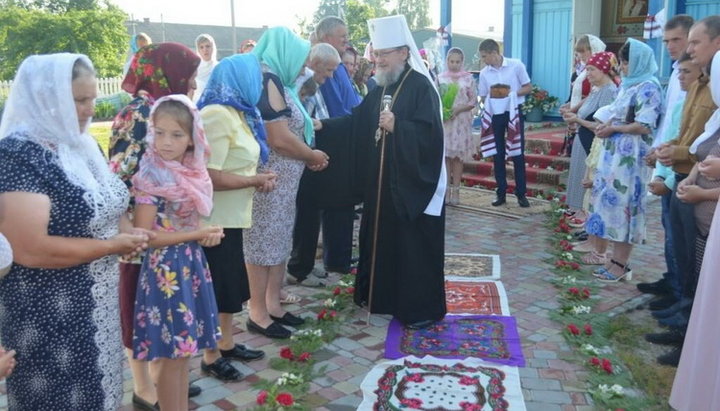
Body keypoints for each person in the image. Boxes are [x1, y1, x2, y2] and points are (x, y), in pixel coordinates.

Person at [0, 53, 149, 410]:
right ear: (45, 98)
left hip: (95, 304)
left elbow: (109, 203)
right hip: (48, 313)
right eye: (79, 100)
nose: (89, 109)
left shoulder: (83, 146)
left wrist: (128, 231)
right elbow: (30, 248)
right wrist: (112, 245)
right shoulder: (18, 154)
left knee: (100, 395)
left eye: (92, 98)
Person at [314, 14, 447, 329]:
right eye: (376, 54)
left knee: (410, 246)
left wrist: (399, 126)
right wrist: (324, 126)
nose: (378, 60)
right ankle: (381, 297)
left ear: (403, 52)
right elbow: (357, 121)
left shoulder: (421, 87)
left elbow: (431, 137)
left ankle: (418, 309)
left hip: (410, 187)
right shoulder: (380, 86)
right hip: (382, 186)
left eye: (384, 54)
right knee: (382, 241)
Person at [109, 42, 204, 407]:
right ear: (169, 72)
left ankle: (162, 379)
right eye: (190, 78)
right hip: (140, 232)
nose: (193, 86)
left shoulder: (162, 109)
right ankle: (144, 386)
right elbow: (119, 177)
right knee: (139, 311)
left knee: (160, 318)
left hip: (161, 230)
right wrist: (136, 227)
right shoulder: (139, 113)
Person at [131, 95, 223, 410]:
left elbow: (187, 223)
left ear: (193, 137)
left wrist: (204, 238)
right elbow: (147, 235)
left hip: (188, 265)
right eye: (159, 132)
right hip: (164, 272)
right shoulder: (150, 174)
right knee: (173, 355)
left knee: (184, 355)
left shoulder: (189, 171)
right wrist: (199, 234)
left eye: (176, 134)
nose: (166, 142)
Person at [243, 27, 329, 339]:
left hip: (284, 181)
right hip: (270, 178)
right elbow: (278, 137)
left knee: (277, 241)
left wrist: (307, 156)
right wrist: (312, 155)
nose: (304, 65)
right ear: (285, 53)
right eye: (302, 58)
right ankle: (258, 311)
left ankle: (272, 305)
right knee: (262, 242)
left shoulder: (280, 80)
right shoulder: (268, 79)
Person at [196, 54, 274, 380]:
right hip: (214, 220)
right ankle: (210, 356)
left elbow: (238, 162)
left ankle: (226, 344)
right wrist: (254, 180)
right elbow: (207, 175)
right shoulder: (216, 114)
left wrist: (257, 177)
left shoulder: (238, 111)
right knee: (216, 290)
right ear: (239, 78)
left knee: (229, 288)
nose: (259, 84)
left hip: (233, 216)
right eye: (255, 77)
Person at [287, 17, 361, 287]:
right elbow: (304, 120)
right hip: (310, 151)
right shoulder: (303, 84)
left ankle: (307, 264)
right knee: (308, 211)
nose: (329, 76)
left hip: (326, 145)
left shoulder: (317, 79)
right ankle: (299, 268)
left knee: (316, 209)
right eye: (327, 71)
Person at [654, 15, 720, 318]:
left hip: (702, 183)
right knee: (681, 246)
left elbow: (702, 143)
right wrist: (670, 149)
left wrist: (676, 151)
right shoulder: (699, 84)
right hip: (686, 174)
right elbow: (688, 132)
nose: (688, 50)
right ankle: (681, 302)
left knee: (696, 256)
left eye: (692, 41)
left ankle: (686, 314)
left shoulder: (710, 87)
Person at [587, 38, 662, 282]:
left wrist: (614, 130)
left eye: (626, 62)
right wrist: (606, 126)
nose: (623, 67)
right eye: (622, 62)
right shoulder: (629, 85)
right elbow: (617, 114)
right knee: (611, 207)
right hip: (614, 158)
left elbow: (644, 125)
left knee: (625, 209)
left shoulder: (649, 87)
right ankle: (613, 260)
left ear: (639, 62)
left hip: (630, 159)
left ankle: (621, 264)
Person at [669, 48, 720, 411]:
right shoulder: (715, 111)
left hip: (709, 207)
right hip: (697, 202)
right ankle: (688, 341)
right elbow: (702, 151)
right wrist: (690, 180)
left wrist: (704, 190)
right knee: (693, 273)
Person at [636, 15, 694, 307]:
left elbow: (691, 128)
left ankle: (680, 294)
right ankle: (672, 280)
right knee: (670, 230)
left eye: (678, 40)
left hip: (683, 164)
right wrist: (657, 150)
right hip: (667, 157)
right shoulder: (675, 72)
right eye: (666, 41)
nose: (670, 46)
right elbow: (670, 120)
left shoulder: (697, 74)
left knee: (680, 237)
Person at [561, 51, 619, 265]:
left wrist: (578, 119)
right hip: (585, 140)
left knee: (591, 189)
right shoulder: (597, 90)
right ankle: (589, 232)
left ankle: (594, 240)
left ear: (604, 69)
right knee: (584, 188)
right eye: (587, 69)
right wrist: (572, 114)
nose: (589, 74)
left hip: (594, 142)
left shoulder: (609, 91)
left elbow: (602, 124)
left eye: (592, 69)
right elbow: (585, 113)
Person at [477, 38, 532, 208]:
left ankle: (521, 193)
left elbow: (528, 87)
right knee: (498, 153)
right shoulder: (484, 73)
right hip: (496, 114)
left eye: (485, 56)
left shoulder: (516, 65)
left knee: (517, 152)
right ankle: (501, 192)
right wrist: (494, 99)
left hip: (514, 111)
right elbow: (484, 95)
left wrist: (512, 94)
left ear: (494, 53)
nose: (483, 60)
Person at [561, 34, 606, 223]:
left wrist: (576, 114)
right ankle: (577, 205)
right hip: (580, 119)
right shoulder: (583, 71)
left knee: (586, 168)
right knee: (579, 164)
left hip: (588, 122)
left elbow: (593, 96)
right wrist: (571, 109)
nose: (579, 56)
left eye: (582, 51)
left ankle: (582, 209)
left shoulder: (600, 73)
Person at [438, 47, 477, 205]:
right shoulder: (440, 78)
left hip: (461, 122)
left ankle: (456, 190)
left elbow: (473, 100)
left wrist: (459, 109)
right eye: (451, 61)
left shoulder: (468, 79)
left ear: (462, 62)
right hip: (446, 122)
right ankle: (446, 190)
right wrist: (444, 111)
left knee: (457, 158)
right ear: (447, 61)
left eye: (457, 62)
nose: (454, 64)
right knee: (446, 157)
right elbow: (436, 98)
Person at [193, 34, 219, 103]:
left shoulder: (219, 67)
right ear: (198, 50)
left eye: (208, 46)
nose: (205, 50)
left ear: (213, 47)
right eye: (201, 47)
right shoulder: (194, 68)